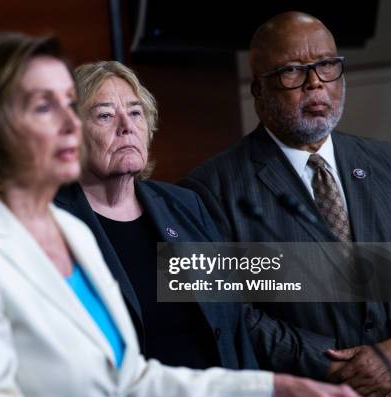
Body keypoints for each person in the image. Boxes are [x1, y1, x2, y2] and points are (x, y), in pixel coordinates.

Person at [0, 31, 366, 397]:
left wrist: (274, 388)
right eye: (46, 106)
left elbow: (129, 381)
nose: (71, 123)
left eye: (71, 104)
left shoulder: (70, 232)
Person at [180, 11, 391, 397]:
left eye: (326, 65)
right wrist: (331, 365)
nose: (315, 82)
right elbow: (223, 311)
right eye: (292, 71)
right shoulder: (205, 190)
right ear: (258, 90)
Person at [54, 61, 257, 371]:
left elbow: (233, 326)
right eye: (105, 115)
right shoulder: (53, 222)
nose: (127, 126)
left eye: (135, 113)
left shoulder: (185, 205)